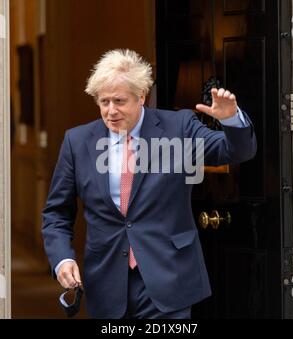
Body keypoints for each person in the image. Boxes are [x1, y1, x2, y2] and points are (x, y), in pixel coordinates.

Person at [42, 49, 256, 319]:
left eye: (119, 101)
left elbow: (235, 151)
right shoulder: (77, 141)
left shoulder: (179, 127)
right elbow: (56, 213)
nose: (110, 111)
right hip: (106, 282)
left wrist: (230, 120)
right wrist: (62, 258)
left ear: (141, 96)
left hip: (169, 278)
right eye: (103, 101)